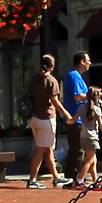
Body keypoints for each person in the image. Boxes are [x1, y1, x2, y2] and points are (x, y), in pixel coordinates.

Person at [25, 54, 65, 187]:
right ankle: (32, 179)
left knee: (48, 149)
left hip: (35, 117)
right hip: (46, 118)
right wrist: (66, 114)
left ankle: (56, 177)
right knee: (40, 150)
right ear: (52, 66)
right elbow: (54, 101)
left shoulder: (34, 79)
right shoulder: (51, 80)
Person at [66, 55, 102, 187]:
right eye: (88, 60)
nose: (90, 63)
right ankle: (74, 179)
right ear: (82, 62)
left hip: (82, 121)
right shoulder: (74, 76)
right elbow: (77, 96)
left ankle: (94, 180)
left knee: (90, 155)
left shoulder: (77, 76)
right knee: (78, 152)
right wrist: (94, 95)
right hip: (78, 122)